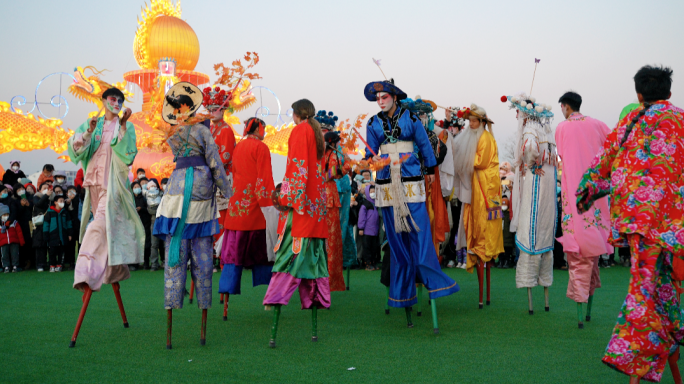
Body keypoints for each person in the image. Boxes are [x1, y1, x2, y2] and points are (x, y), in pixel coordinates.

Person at [576, 65, 684, 383]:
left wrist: (585, 194)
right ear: (669, 91)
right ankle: (673, 334)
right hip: (676, 222)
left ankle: (635, 359)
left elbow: (605, 159)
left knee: (644, 290)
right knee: (667, 288)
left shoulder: (630, 120)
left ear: (639, 95)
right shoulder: (681, 119)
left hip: (641, 222)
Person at [364, 79, 459, 330]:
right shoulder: (372, 123)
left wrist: (429, 169)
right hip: (386, 184)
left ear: (395, 97)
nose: (381, 101)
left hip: (412, 180)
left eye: (384, 97)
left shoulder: (411, 119)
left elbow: (426, 147)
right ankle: (403, 295)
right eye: (378, 98)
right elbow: (369, 156)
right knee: (396, 242)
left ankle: (435, 283)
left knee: (420, 236)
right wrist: (369, 161)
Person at [153, 82, 231, 348]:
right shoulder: (201, 131)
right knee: (203, 261)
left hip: (174, 193)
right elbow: (215, 162)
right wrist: (227, 190)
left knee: (174, 262)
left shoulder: (172, 133)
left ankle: (170, 326)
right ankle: (203, 325)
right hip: (199, 192)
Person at [66, 86, 144, 347]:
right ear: (104, 100)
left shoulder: (127, 126)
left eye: (120, 100)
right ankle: (113, 269)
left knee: (96, 228)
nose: (116, 103)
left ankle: (84, 275)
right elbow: (76, 150)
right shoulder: (93, 123)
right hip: (94, 186)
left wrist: (122, 127)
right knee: (105, 230)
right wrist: (88, 131)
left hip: (114, 188)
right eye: (113, 99)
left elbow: (128, 155)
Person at [263, 99, 330, 348]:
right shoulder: (315, 132)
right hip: (315, 209)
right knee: (313, 264)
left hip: (301, 211)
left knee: (288, 259)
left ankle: (275, 309)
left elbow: (297, 168)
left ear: (296, 113)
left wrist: (286, 197)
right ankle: (313, 328)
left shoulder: (300, 130)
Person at [556, 91, 613, 328]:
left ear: (566, 106)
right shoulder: (599, 125)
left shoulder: (561, 128)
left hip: (573, 193)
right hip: (595, 193)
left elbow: (562, 154)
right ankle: (587, 309)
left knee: (578, 251)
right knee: (594, 249)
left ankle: (581, 313)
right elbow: (612, 150)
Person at [504, 93, 557, 314]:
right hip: (548, 188)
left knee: (529, 230)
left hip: (535, 184)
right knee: (544, 232)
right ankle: (544, 290)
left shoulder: (530, 130)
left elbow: (530, 150)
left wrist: (528, 165)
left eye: (518, 111)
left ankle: (530, 291)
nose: (517, 115)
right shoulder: (547, 130)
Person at [219, 117, 276, 317]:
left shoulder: (238, 147)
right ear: (259, 128)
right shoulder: (261, 148)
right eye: (264, 129)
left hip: (236, 209)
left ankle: (225, 301)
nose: (265, 133)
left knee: (232, 256)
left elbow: (233, 173)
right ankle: (271, 299)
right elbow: (264, 178)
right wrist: (269, 204)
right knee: (265, 253)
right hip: (254, 210)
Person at [452, 103, 503, 308]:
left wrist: (460, 156)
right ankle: (475, 250)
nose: (471, 124)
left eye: (474, 121)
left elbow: (480, 162)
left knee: (483, 225)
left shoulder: (486, 138)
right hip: (477, 185)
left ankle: (481, 251)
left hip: (485, 186)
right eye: (469, 121)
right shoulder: (477, 136)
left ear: (481, 122)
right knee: (472, 221)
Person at [202, 86, 237, 248]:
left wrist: (206, 164)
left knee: (222, 215)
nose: (213, 112)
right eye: (210, 109)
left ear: (223, 111)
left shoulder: (226, 130)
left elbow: (226, 156)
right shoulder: (206, 130)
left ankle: (221, 251)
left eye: (216, 109)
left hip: (221, 177)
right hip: (208, 177)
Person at [321, 128, 351, 291]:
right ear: (333, 143)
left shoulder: (318, 154)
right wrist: (347, 163)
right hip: (330, 197)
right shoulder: (333, 155)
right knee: (333, 241)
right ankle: (332, 280)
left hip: (319, 198)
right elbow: (333, 174)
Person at [42, 193, 72, 272]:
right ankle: (52, 265)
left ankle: (59, 265)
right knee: (52, 252)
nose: (62, 202)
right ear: (55, 202)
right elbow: (46, 224)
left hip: (63, 236)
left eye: (63, 201)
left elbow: (69, 224)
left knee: (61, 252)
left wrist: (69, 234)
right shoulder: (50, 212)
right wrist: (45, 234)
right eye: (60, 201)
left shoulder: (65, 212)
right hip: (52, 236)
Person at [358, 184, 380, 270]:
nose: (373, 193)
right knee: (367, 248)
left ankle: (374, 262)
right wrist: (361, 228)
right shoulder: (365, 205)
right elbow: (362, 217)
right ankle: (367, 263)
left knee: (374, 247)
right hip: (367, 230)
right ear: (367, 192)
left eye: (374, 191)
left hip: (375, 230)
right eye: (371, 192)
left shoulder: (376, 203)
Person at [12, 182, 33, 270]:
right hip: (20, 224)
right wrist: (21, 205)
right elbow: (15, 213)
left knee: (30, 241)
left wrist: (29, 205)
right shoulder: (15, 201)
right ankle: (22, 261)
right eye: (18, 190)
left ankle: (31, 261)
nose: (21, 191)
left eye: (22, 189)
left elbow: (34, 209)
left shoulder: (30, 197)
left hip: (30, 223)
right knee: (22, 242)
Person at [32, 183, 52, 272]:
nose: (47, 190)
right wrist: (46, 196)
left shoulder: (51, 198)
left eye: (48, 188)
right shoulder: (36, 197)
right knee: (40, 245)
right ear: (39, 190)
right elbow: (38, 204)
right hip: (39, 224)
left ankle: (49, 263)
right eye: (44, 188)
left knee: (49, 244)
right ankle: (40, 264)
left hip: (49, 223)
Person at [0, 203, 25, 273]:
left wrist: (21, 241)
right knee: (4, 255)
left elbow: (19, 232)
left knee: (15, 254)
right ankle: (6, 266)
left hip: (14, 241)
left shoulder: (14, 222)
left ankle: (15, 266)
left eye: (7, 215)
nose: (6, 216)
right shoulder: (1, 224)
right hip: (3, 243)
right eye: (4, 215)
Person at [131, 181, 151, 270]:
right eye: (134, 187)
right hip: (134, 224)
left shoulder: (144, 198)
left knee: (146, 243)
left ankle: (146, 263)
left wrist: (141, 209)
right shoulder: (130, 199)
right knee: (135, 243)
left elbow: (149, 209)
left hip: (145, 223)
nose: (136, 188)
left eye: (138, 186)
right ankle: (135, 264)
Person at [145, 178, 162, 271]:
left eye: (154, 185)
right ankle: (154, 264)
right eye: (151, 186)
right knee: (154, 244)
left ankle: (166, 262)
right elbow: (149, 210)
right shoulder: (147, 196)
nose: (153, 187)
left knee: (165, 244)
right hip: (154, 221)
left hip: (163, 221)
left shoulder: (163, 195)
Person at [64, 185, 81, 270]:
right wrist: (67, 203)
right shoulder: (64, 202)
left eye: (73, 191)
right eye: (69, 191)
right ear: (66, 193)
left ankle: (80, 263)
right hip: (70, 227)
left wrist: (73, 199)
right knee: (71, 246)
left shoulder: (78, 200)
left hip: (79, 226)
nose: (71, 193)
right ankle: (71, 263)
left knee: (80, 245)